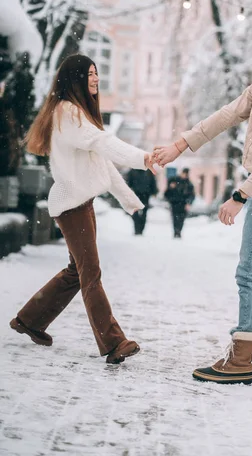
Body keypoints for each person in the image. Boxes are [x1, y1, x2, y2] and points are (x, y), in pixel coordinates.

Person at [153, 25, 252, 384]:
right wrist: (180, 145)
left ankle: (240, 361)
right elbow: (227, 114)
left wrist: (241, 195)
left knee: (249, 274)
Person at [9, 54, 155, 364]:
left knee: (77, 272)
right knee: (91, 273)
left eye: (97, 73)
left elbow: (102, 162)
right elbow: (105, 144)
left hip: (79, 203)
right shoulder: (68, 113)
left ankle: (30, 319)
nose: (96, 79)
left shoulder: (76, 114)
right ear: (75, 78)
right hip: (72, 205)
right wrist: (143, 158)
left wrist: (129, 200)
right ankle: (114, 342)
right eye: (90, 74)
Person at [163, 168, 195, 238]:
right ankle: (176, 232)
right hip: (175, 203)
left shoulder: (189, 184)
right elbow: (167, 192)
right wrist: (171, 188)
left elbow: (192, 195)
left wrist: (189, 203)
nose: (185, 175)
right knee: (175, 218)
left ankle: (179, 231)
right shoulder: (174, 180)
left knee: (181, 219)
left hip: (183, 204)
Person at [126, 168, 158, 235]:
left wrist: (154, 192)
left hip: (145, 195)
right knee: (136, 213)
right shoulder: (133, 170)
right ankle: (138, 229)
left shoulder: (147, 171)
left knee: (143, 213)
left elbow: (152, 182)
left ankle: (140, 229)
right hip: (136, 194)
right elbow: (128, 182)